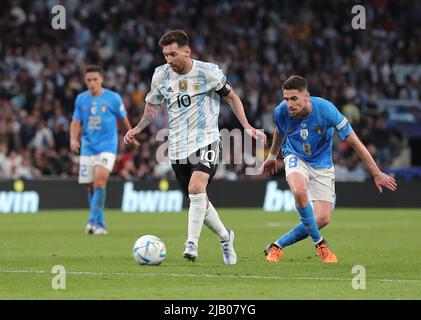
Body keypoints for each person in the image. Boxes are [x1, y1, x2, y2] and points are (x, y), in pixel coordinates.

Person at [124, 29, 266, 264]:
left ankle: (191, 243)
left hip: (206, 139)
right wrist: (137, 128)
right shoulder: (160, 75)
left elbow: (231, 97)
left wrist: (246, 125)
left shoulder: (208, 72)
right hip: (177, 146)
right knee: (198, 198)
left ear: (187, 51)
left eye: (173, 54)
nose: (169, 60)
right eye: (165, 55)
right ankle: (225, 236)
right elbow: (152, 107)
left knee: (197, 186)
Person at [261, 75, 397, 263]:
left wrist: (376, 172)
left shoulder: (327, 111)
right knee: (299, 191)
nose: (289, 104)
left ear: (306, 96)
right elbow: (279, 130)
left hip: (322, 164)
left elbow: (356, 143)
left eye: (294, 98)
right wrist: (272, 156)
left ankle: (276, 246)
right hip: (295, 156)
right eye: (286, 98)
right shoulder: (281, 112)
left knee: (323, 218)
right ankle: (320, 245)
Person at [70, 65, 137, 235]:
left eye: (95, 79)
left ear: (101, 80)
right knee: (91, 186)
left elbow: (123, 118)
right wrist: (73, 138)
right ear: (85, 81)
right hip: (87, 146)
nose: (92, 83)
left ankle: (92, 222)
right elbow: (76, 121)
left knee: (100, 181)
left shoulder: (113, 98)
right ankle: (100, 224)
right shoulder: (81, 99)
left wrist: (131, 134)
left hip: (107, 146)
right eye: (88, 80)